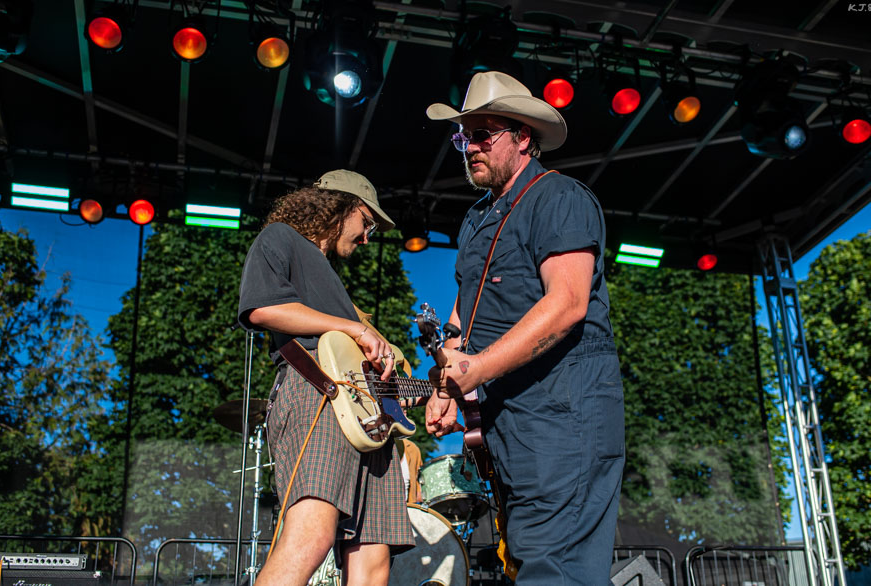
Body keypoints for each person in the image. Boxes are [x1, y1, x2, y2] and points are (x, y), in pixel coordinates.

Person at [423, 71, 626, 585]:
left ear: (524, 138)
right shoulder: (476, 219)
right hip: (506, 421)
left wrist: (478, 369)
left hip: (563, 415)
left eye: (484, 133)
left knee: (553, 569)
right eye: (464, 136)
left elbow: (568, 302)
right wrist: (446, 381)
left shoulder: (559, 196)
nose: (471, 146)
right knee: (529, 560)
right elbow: (463, 314)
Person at [237, 170, 414, 586]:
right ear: (342, 205)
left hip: (370, 422)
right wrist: (357, 329)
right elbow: (262, 308)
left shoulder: (334, 286)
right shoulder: (281, 237)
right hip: (319, 393)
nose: (367, 237)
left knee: (373, 559)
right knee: (311, 537)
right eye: (367, 223)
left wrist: (397, 394)